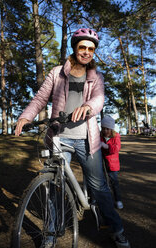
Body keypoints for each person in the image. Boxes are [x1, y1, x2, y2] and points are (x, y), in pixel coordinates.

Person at [15, 28, 130, 248]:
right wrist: (25, 116)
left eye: (91, 49)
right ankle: (51, 233)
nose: (86, 52)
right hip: (60, 138)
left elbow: (98, 100)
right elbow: (40, 98)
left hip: (87, 139)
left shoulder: (96, 77)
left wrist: (87, 106)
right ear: (75, 48)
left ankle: (117, 230)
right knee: (53, 187)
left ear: (93, 52)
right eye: (82, 47)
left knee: (99, 188)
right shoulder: (57, 73)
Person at [101, 115, 124, 210]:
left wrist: (106, 147)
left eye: (108, 129)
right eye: (104, 128)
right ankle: (106, 200)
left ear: (111, 129)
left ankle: (118, 200)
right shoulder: (100, 136)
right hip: (102, 162)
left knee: (114, 183)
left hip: (112, 164)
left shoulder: (116, 136)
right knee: (103, 182)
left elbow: (117, 148)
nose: (105, 131)